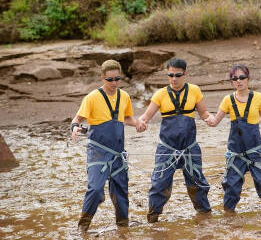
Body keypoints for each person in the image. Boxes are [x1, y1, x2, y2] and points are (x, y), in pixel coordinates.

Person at [71, 59, 145, 231]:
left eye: (117, 79)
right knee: (96, 190)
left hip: (118, 153)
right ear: (102, 78)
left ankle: (123, 229)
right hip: (97, 152)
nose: (114, 83)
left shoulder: (124, 96)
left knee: (121, 194)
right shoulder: (91, 98)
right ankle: (82, 229)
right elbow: (77, 119)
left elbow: (127, 118)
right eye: (110, 79)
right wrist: (75, 128)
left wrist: (138, 124)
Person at [138, 58, 213, 223]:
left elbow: (204, 113)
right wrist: (141, 123)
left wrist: (210, 119)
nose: (174, 79)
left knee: (198, 184)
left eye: (178, 75)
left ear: (185, 73)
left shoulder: (195, 91)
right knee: (158, 184)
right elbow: (146, 116)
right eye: (170, 75)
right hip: (166, 149)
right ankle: (153, 220)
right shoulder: (160, 94)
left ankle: (205, 217)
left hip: (190, 148)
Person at [205, 63, 261, 212]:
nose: (238, 81)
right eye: (235, 78)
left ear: (248, 78)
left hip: (255, 151)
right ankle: (229, 218)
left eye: (242, 77)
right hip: (235, 153)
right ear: (232, 81)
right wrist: (208, 119)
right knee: (231, 187)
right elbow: (215, 121)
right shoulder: (228, 100)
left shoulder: (258, 97)